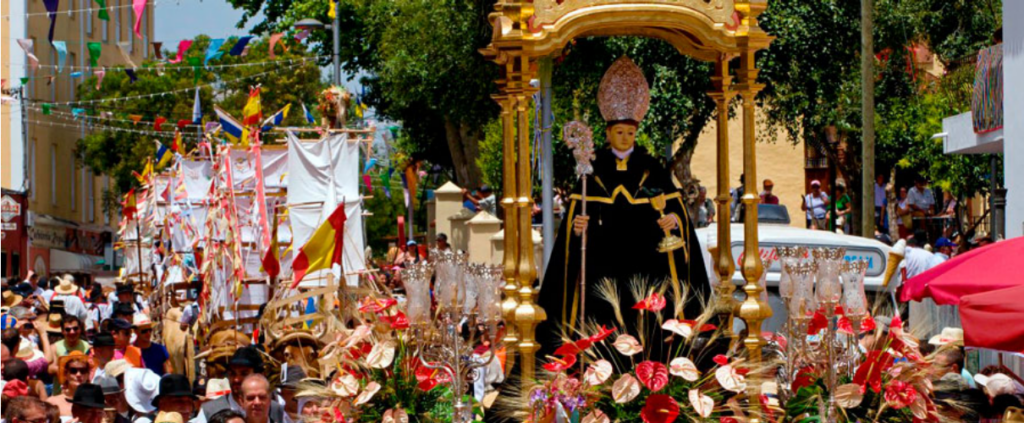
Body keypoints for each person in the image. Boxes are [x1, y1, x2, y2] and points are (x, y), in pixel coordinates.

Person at [537, 57, 709, 361]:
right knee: (601, 328)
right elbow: (573, 223)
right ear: (607, 133)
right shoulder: (591, 172)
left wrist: (673, 220)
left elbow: (675, 210)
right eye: (619, 132)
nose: (624, 138)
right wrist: (577, 229)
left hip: (647, 267)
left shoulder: (651, 168)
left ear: (635, 132)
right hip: (602, 270)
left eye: (630, 132)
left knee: (648, 326)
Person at [196, 347, 283, 423]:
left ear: (260, 375)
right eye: (232, 373)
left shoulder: (276, 410)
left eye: (244, 373)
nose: (236, 379)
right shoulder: (210, 411)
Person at [48, 351, 94, 416]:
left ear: (88, 374)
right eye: (73, 371)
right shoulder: (53, 402)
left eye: (83, 371)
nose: (78, 374)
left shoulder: (95, 402)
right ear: (66, 374)